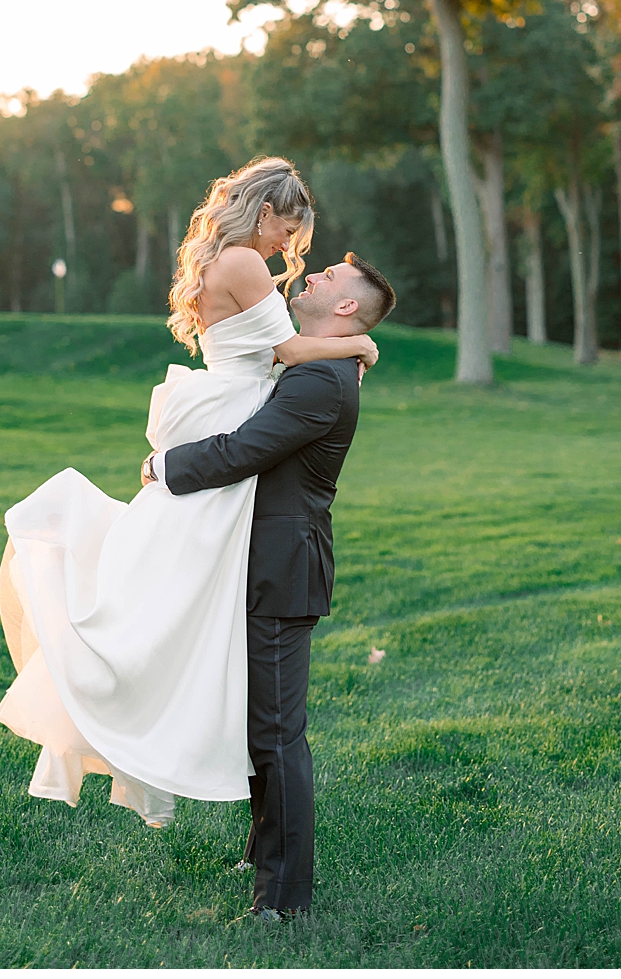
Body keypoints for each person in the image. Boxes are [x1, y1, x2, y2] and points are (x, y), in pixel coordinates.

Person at [0, 157, 379, 832]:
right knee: (190, 576)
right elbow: (288, 352)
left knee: (188, 580)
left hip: (224, 402)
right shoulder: (245, 262)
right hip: (232, 410)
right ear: (265, 213)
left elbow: (282, 352)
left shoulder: (225, 259)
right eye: (287, 231)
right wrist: (360, 347)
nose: (287, 249)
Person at [142, 249, 396, 920]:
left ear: (346, 306)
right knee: (259, 724)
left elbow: (246, 450)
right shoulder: (320, 365)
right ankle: (262, 853)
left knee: (277, 734)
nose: (312, 274)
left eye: (329, 278)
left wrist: (163, 466)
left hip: (282, 571)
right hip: (262, 563)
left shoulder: (323, 382)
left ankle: (281, 901)